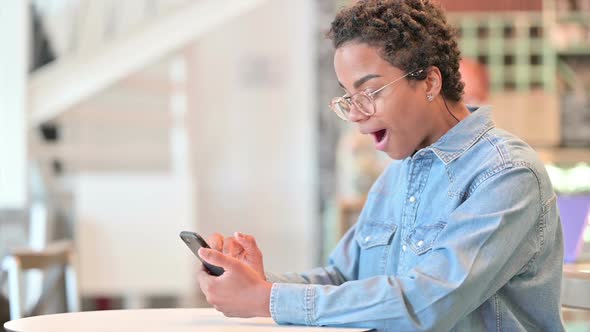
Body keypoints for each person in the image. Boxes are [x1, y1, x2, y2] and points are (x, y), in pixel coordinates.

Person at [196, 1, 565, 331]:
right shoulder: (398, 174)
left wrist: (267, 298)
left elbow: (426, 304)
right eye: (348, 96)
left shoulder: (507, 174)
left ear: (430, 82)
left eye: (370, 92)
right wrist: (257, 282)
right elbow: (343, 277)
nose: (356, 114)